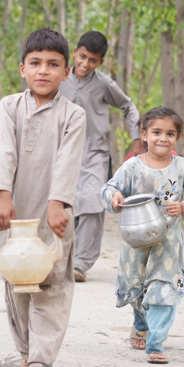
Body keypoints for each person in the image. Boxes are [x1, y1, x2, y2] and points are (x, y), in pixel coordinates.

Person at [0, 28, 87, 367]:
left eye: (53, 64)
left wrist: (58, 202)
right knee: (19, 286)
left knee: (53, 285)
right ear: (22, 68)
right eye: (36, 63)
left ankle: (43, 365)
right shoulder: (10, 106)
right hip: (14, 214)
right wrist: (2, 197)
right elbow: (5, 152)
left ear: (67, 71)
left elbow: (68, 163)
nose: (44, 70)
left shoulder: (74, 115)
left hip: (52, 217)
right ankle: (25, 356)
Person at [103, 106, 184, 364]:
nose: (163, 138)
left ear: (177, 138)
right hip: (135, 240)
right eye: (157, 132)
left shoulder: (182, 168)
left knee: (164, 289)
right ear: (144, 134)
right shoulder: (131, 167)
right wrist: (115, 197)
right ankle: (141, 322)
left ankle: (155, 343)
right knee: (136, 287)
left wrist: (183, 206)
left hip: (168, 243)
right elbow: (110, 188)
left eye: (170, 133)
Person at [57, 31, 142, 283]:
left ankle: (81, 263)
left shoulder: (104, 83)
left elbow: (128, 106)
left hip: (95, 151)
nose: (85, 64)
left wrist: (137, 138)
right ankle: (61, 257)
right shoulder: (59, 77)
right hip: (61, 150)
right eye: (82, 57)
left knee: (93, 201)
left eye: (92, 60)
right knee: (66, 202)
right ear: (75, 53)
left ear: (100, 62)